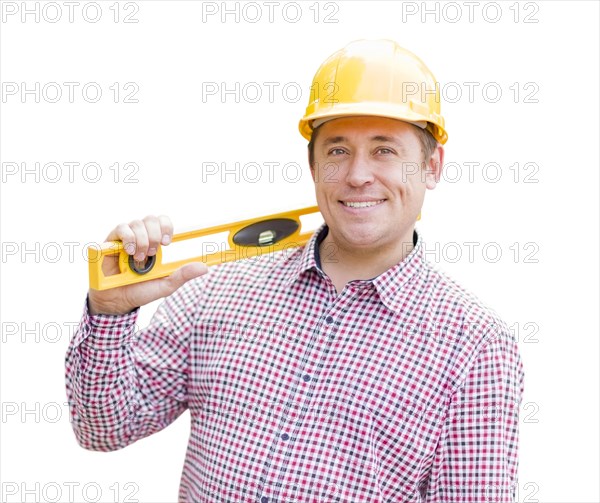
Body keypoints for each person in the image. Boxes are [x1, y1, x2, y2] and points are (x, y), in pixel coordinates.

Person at [66, 39, 524, 502]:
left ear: (431, 165)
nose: (358, 175)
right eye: (338, 151)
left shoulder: (476, 348)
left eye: (385, 150)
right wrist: (109, 312)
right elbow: (102, 429)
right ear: (313, 165)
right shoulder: (215, 289)